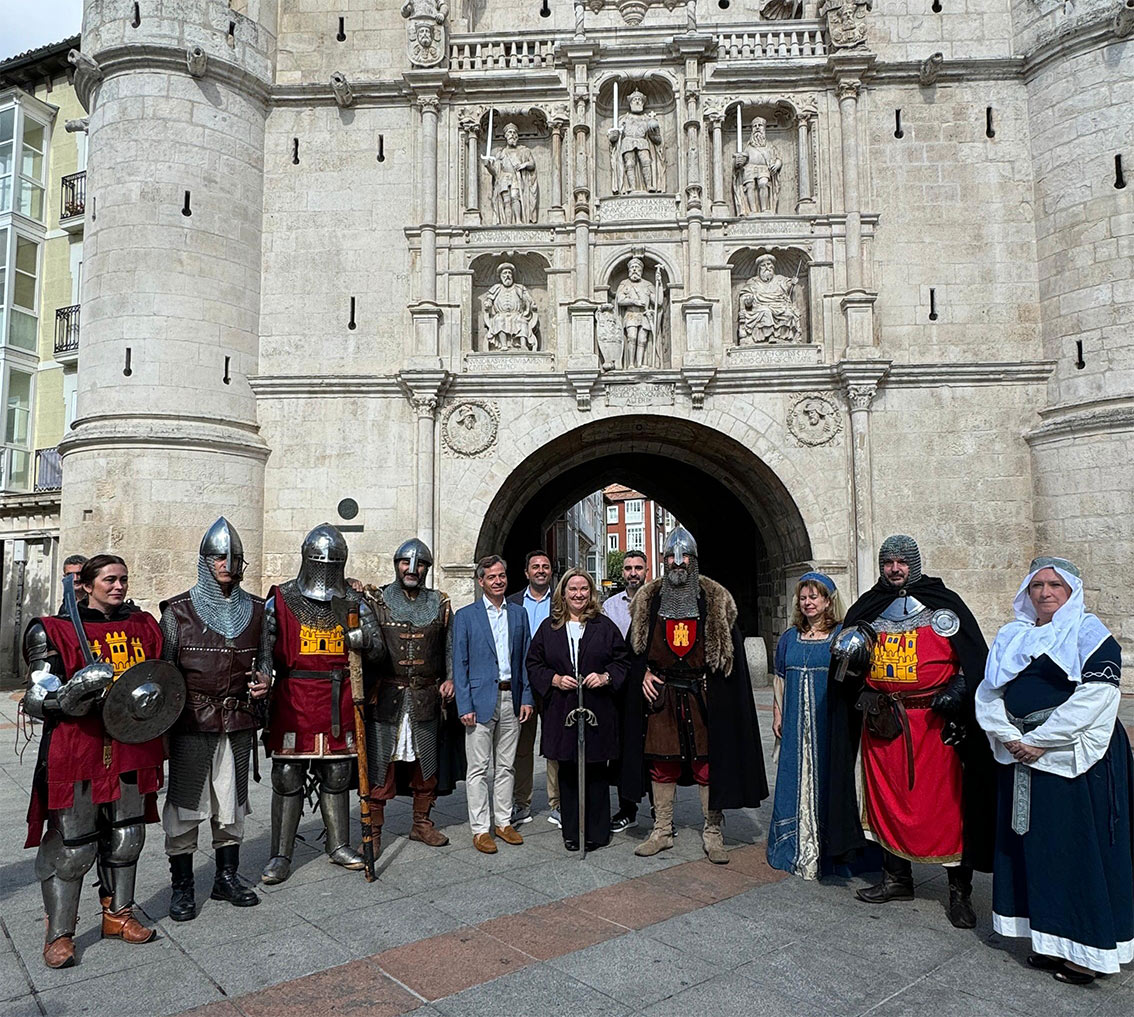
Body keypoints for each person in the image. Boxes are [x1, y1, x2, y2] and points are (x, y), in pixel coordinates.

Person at [976, 557, 1132, 984]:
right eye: (1037, 586)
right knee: (1034, 851)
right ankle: (1047, 942)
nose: (1045, 593)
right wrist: (1007, 734)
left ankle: (1085, 952)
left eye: (1055, 585)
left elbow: (1098, 697)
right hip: (1021, 756)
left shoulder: (1089, 633)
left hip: (1071, 760)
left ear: (1072, 591)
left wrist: (1040, 740)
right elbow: (989, 691)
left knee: (1072, 850)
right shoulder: (1013, 634)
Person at [827, 534, 996, 929]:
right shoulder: (870, 607)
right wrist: (856, 678)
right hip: (884, 724)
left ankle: (959, 893)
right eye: (888, 563)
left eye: (902, 562)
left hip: (936, 726)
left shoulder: (944, 604)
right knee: (887, 801)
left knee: (947, 808)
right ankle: (896, 878)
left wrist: (959, 689)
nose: (895, 569)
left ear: (914, 564)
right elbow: (847, 668)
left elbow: (975, 659)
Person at [23, 555, 165, 968]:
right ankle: (59, 933)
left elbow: (160, 679)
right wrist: (69, 695)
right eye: (109, 580)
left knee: (127, 837)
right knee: (74, 847)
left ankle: (119, 916)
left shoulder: (143, 627)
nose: (118, 586)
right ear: (86, 584)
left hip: (131, 744)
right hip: (77, 745)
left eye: (123, 579)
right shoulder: (53, 630)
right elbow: (34, 698)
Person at [621, 528, 768, 863]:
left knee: (706, 764)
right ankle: (662, 830)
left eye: (684, 555)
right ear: (664, 560)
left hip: (703, 693)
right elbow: (632, 652)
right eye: (671, 556)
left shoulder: (715, 599)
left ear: (694, 559)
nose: (677, 562)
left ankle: (713, 831)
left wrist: (720, 686)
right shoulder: (648, 599)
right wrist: (641, 672)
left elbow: (731, 656)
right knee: (661, 764)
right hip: (662, 695)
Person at [258, 523, 385, 884]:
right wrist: (264, 679)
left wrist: (361, 638)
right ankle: (280, 854)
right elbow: (266, 654)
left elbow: (378, 651)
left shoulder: (354, 602)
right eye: (320, 562)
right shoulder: (279, 600)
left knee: (338, 773)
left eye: (333, 564)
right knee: (286, 776)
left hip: (338, 697)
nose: (326, 570)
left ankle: (338, 844)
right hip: (293, 700)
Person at [159, 518, 265, 921]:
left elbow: (266, 662)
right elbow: (165, 676)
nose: (227, 563)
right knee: (186, 808)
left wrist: (264, 683)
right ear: (205, 561)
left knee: (232, 807)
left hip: (236, 721)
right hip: (192, 722)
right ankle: (182, 888)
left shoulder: (256, 610)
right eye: (219, 556)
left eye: (234, 557)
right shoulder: (178, 612)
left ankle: (226, 878)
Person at [360, 538, 456, 854]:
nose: (412, 569)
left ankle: (421, 824)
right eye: (405, 562)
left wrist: (451, 678)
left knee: (425, 764)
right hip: (386, 695)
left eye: (420, 564)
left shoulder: (440, 603)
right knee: (380, 766)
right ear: (396, 564)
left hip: (426, 694)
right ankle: (373, 832)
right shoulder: (376, 600)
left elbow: (448, 646)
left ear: (427, 568)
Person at [527, 569, 629, 851]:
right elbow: (534, 663)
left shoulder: (604, 626)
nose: (578, 594)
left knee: (596, 771)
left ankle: (597, 831)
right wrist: (555, 679)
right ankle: (572, 832)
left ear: (591, 592)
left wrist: (606, 677)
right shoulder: (550, 628)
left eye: (584, 589)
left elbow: (622, 662)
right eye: (573, 589)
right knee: (568, 771)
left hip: (597, 708)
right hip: (563, 709)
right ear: (563, 592)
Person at [451, 555, 534, 853]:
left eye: (502, 576)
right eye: (492, 577)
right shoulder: (465, 616)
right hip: (479, 699)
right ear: (481, 581)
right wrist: (464, 705)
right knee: (477, 768)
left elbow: (524, 659)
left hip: (511, 695)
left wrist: (526, 698)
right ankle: (479, 828)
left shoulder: (518, 614)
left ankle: (503, 822)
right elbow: (460, 665)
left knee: (506, 765)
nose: (498, 581)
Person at [766, 572, 844, 879]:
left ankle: (829, 849)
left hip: (827, 725)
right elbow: (780, 678)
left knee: (828, 779)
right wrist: (777, 713)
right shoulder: (789, 637)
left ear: (827, 601)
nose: (808, 602)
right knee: (793, 779)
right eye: (803, 597)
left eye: (814, 597)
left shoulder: (840, 635)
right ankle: (792, 844)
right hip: (796, 726)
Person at [507, 549, 556, 826]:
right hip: (522, 685)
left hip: (552, 683)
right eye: (535, 566)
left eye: (545, 566)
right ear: (526, 573)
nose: (540, 570)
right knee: (521, 748)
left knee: (554, 746)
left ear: (551, 572)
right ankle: (521, 802)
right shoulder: (512, 603)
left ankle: (557, 802)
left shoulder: (561, 603)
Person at [602, 549, 648, 832]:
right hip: (620, 687)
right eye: (629, 568)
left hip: (650, 685)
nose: (633, 573)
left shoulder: (658, 602)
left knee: (655, 748)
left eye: (638, 568)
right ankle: (626, 808)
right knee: (620, 748)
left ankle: (660, 811)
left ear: (647, 571)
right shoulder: (610, 606)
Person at [480, 122, 539, 225]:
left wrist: (523, 165)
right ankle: (507, 223)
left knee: (515, 197)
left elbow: (532, 164)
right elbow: (495, 172)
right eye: (509, 132)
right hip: (504, 178)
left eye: (514, 133)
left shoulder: (524, 151)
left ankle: (518, 220)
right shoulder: (501, 153)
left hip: (516, 178)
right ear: (506, 136)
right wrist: (488, 165)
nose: (512, 135)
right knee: (506, 201)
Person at [608, 89, 665, 194]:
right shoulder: (624, 119)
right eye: (635, 100)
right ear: (630, 103)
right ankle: (632, 187)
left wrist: (655, 131)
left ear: (643, 103)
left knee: (646, 161)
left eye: (639, 100)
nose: (637, 101)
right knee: (629, 163)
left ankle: (649, 185)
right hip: (628, 141)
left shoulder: (647, 119)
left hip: (642, 141)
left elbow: (657, 140)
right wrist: (614, 135)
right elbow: (613, 137)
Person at [737, 254, 802, 345]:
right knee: (766, 312)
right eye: (763, 265)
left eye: (769, 264)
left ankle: (783, 337)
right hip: (760, 307)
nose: (767, 267)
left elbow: (788, 286)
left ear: (773, 267)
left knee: (788, 313)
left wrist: (792, 283)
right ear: (759, 269)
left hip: (780, 305)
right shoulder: (753, 282)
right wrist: (749, 300)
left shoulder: (780, 279)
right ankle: (768, 336)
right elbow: (745, 297)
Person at [481, 262, 540, 352]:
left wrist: (532, 305)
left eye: (509, 273)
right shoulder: (496, 288)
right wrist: (488, 304)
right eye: (505, 273)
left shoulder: (519, 288)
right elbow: (489, 299)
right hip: (501, 314)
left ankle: (523, 345)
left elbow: (529, 300)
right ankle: (503, 345)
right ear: (500, 276)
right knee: (499, 320)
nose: (507, 275)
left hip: (517, 314)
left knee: (522, 321)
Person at [614, 256, 657, 370]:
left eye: (636, 267)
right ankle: (631, 364)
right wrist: (634, 301)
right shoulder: (624, 284)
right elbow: (619, 300)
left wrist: (659, 284)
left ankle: (639, 364)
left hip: (644, 315)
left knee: (642, 340)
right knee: (632, 337)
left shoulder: (648, 284)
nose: (634, 269)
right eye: (632, 267)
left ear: (641, 270)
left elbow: (659, 302)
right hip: (631, 314)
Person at [732, 116, 782, 215]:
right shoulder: (748, 147)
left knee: (763, 183)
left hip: (764, 169)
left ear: (764, 128)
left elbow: (778, 157)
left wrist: (777, 164)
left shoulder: (770, 146)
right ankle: (752, 211)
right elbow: (742, 160)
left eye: (760, 125)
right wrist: (738, 162)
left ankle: (764, 209)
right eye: (755, 126)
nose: (757, 128)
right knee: (750, 186)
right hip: (749, 169)